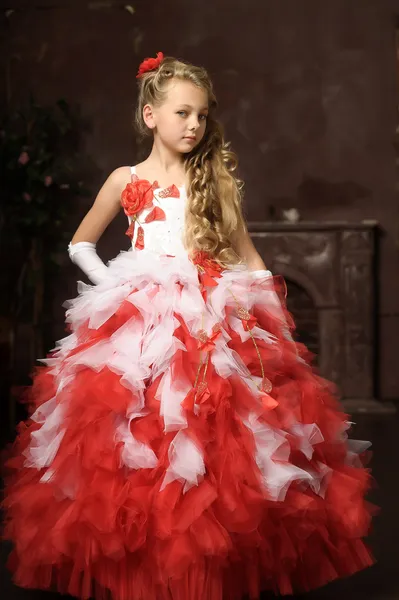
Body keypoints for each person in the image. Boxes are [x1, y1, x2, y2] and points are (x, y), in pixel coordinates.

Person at [3, 52, 374, 600]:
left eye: (201, 115)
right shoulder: (126, 180)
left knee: (216, 436)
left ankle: (208, 563)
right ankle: (148, 568)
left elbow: (249, 257)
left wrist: (266, 313)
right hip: (143, 319)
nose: (193, 125)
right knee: (141, 433)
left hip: (210, 317)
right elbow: (80, 243)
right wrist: (114, 287)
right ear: (150, 115)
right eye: (181, 113)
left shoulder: (216, 181)